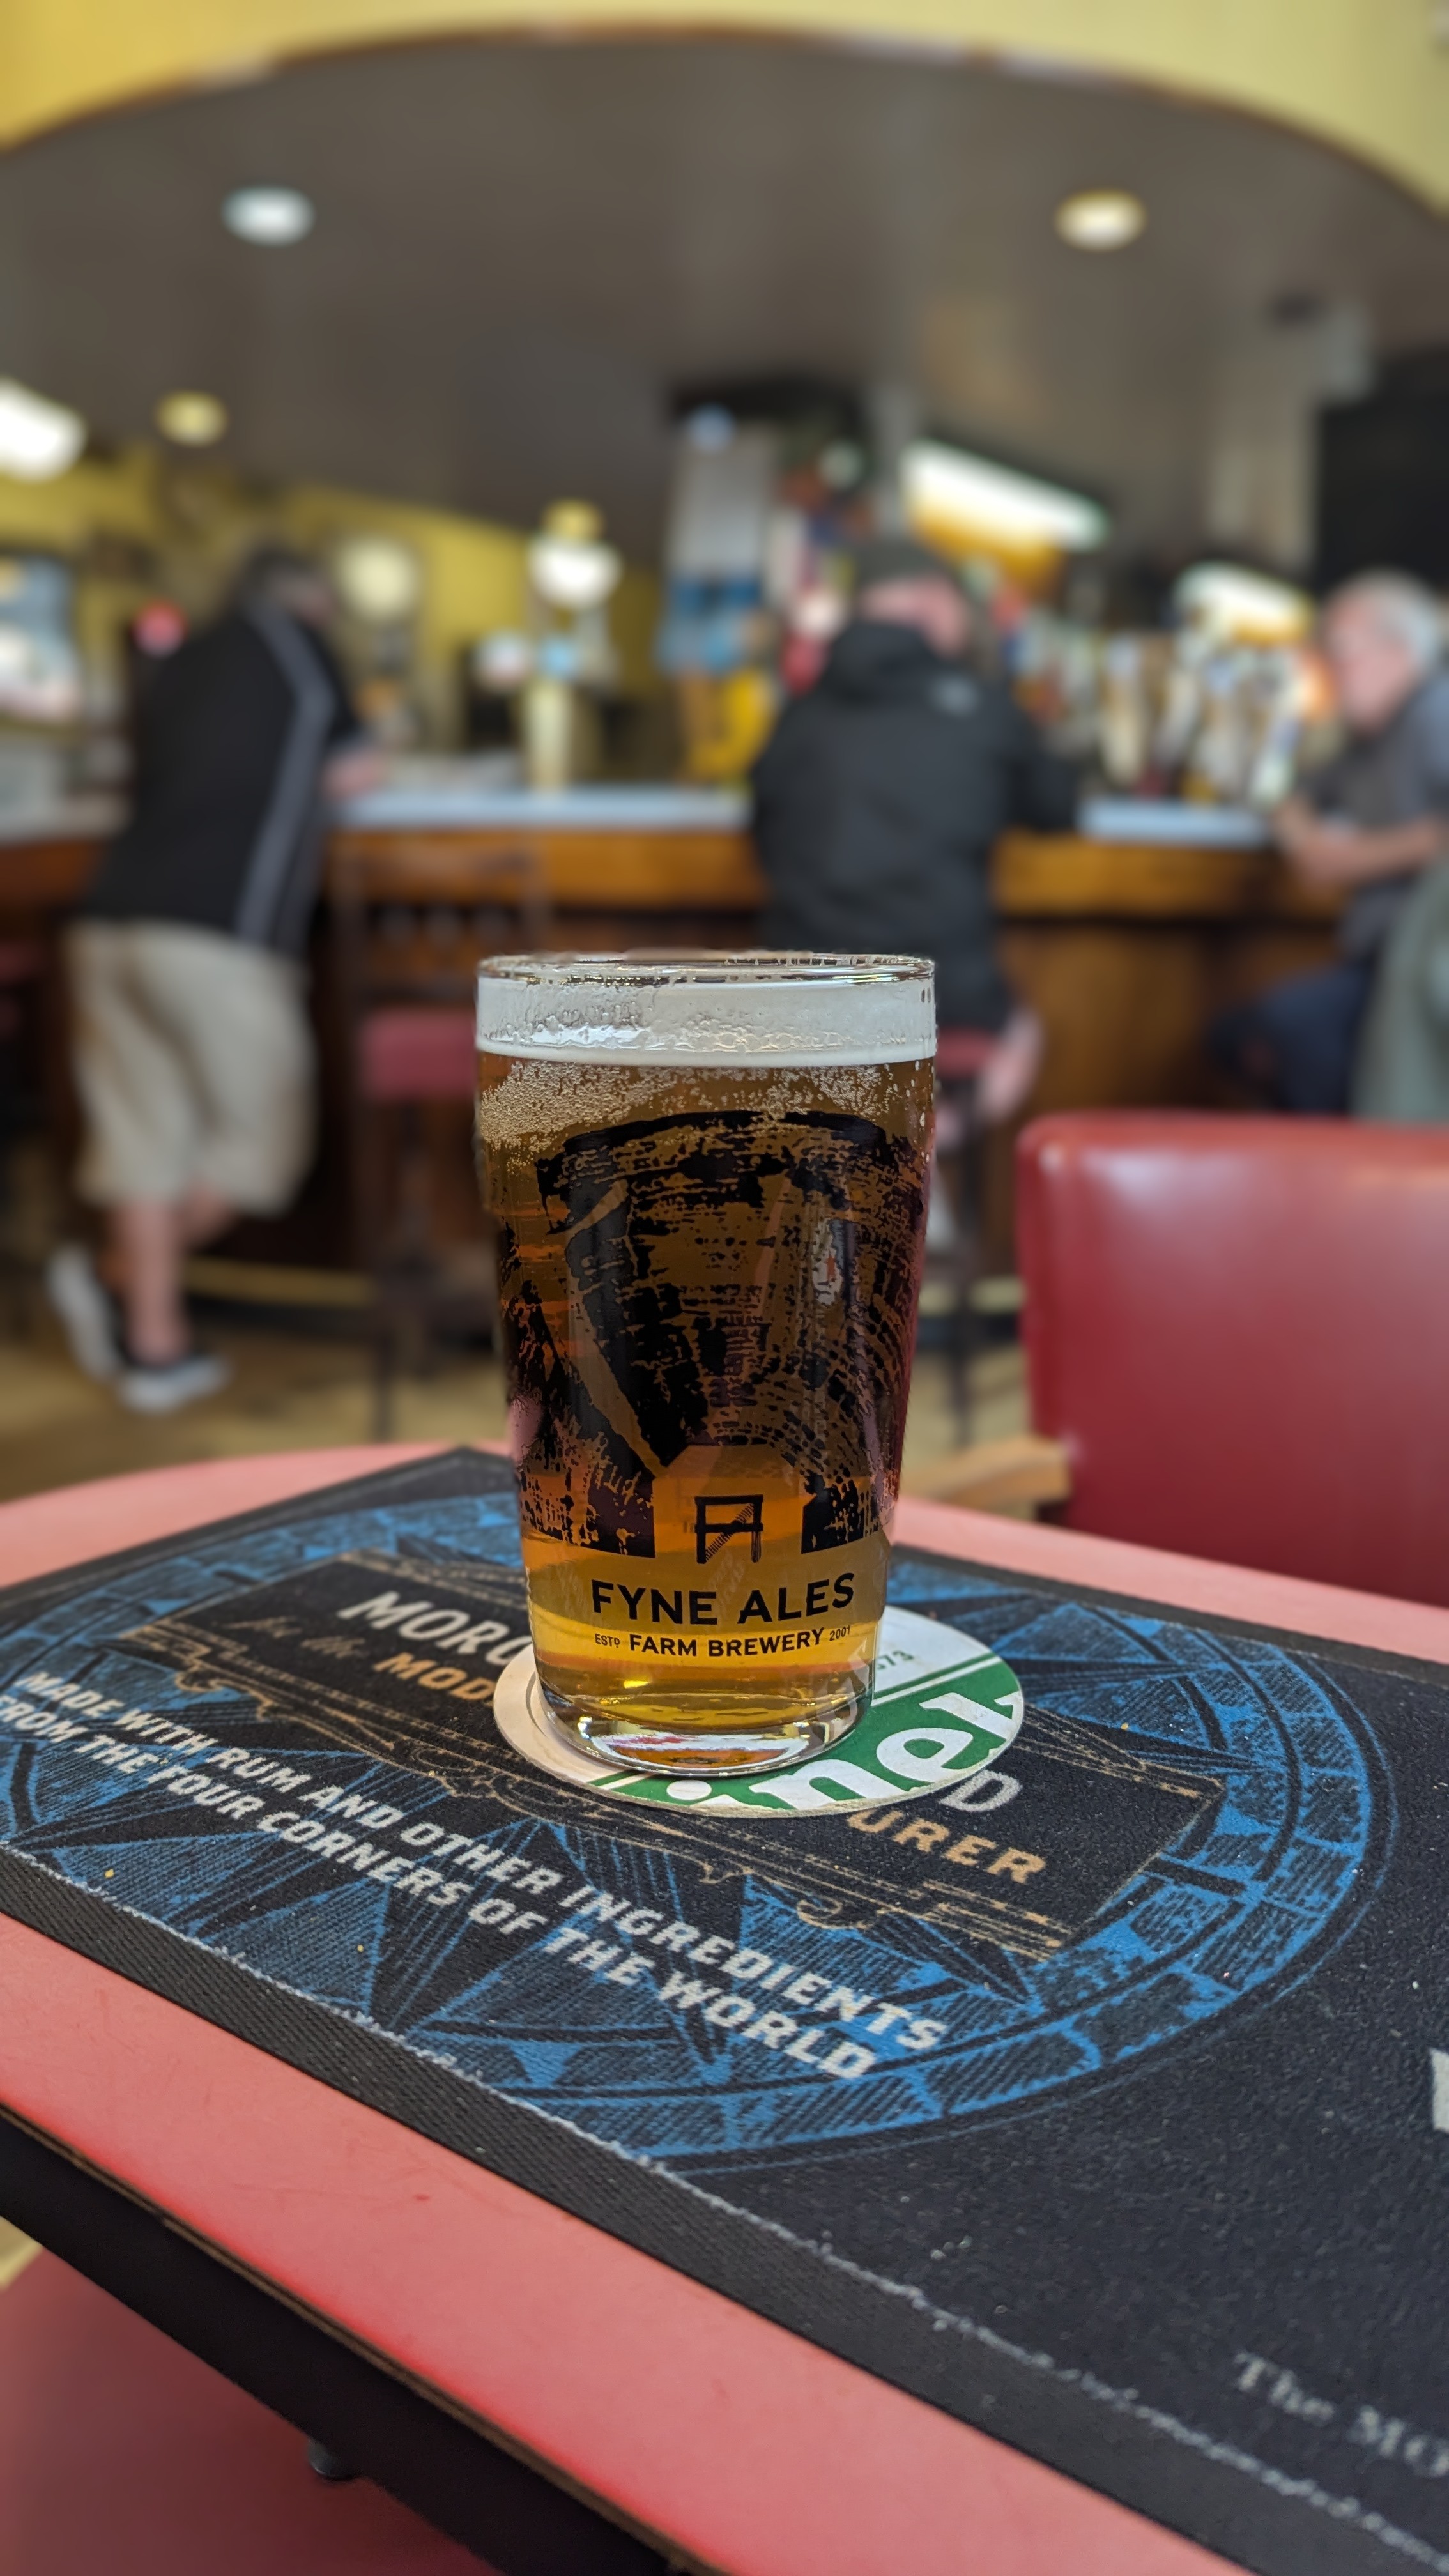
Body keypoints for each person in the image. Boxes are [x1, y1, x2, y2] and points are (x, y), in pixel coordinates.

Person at [47, 548, 379, 1412]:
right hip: (214, 931)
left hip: (107, 921)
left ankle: (154, 1351)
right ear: (309, 594)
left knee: (142, 1143)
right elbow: (355, 770)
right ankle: (109, 1273)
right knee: (262, 1151)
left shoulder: (180, 655)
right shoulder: (299, 645)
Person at [751, 536, 1077, 1123]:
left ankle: (875, 1155)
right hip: (941, 1004)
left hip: (798, 1007)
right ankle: (929, 1150)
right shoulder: (984, 709)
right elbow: (1059, 808)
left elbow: (761, 835)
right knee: (1019, 1031)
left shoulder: (797, 718)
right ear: (933, 601)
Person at [1211, 572, 1449, 1114]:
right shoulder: (1368, 737)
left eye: (1340, 652)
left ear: (1398, 652)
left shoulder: (1436, 713)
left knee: (1286, 1031)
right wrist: (1307, 842)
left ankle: (1360, 1156)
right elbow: (1290, 797)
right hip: (1381, 963)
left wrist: (1349, 859)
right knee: (1240, 1035)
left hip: (1419, 969)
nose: (1328, 671)